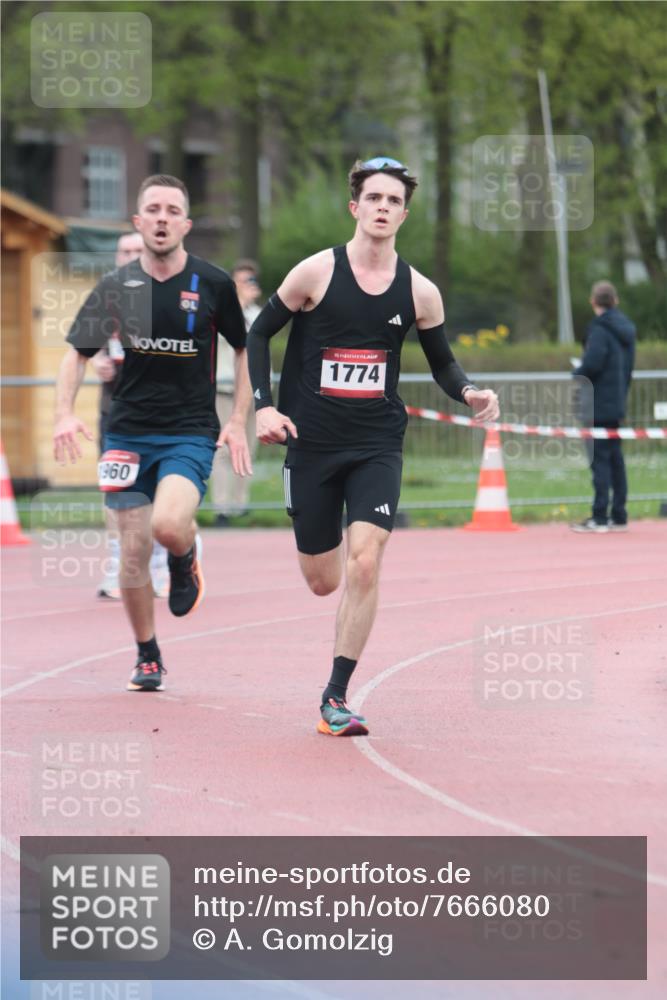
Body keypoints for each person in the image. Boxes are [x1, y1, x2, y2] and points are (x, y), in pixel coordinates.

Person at [247, 156, 499, 736]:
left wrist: (470, 391)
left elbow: (443, 364)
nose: (383, 208)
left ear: (404, 215)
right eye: (374, 198)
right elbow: (259, 334)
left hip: (376, 444)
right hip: (311, 444)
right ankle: (320, 551)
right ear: (354, 207)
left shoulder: (420, 291)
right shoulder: (314, 273)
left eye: (394, 201)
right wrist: (264, 405)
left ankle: (335, 696)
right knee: (323, 580)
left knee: (365, 561)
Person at [53, 174, 252, 692]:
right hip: (127, 433)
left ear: (186, 224)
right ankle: (147, 655)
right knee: (132, 550)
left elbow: (245, 348)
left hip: (189, 429)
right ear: (138, 222)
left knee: (168, 524)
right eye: (154, 210)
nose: (162, 219)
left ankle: (185, 558)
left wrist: (238, 420)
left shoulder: (213, 284)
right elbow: (76, 355)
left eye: (172, 211)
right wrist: (63, 414)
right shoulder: (116, 287)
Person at [90, 231, 170, 599]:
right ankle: (118, 563)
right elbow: (85, 342)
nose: (131, 256)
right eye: (125, 251)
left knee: (158, 490)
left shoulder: (168, 293)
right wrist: (97, 360)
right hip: (115, 408)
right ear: (116, 257)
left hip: (162, 409)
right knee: (116, 490)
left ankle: (161, 562)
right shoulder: (105, 295)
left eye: (138, 250)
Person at [571, 281, 636, 534]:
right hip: (617, 400)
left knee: (599, 460)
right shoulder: (626, 330)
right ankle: (619, 515)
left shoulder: (599, 329)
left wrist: (578, 371)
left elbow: (593, 363)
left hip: (597, 404)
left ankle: (599, 516)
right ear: (615, 301)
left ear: (593, 302)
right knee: (615, 459)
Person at [211, 260, 262, 526]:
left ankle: (241, 505)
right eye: (242, 281)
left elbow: (259, 344)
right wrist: (238, 305)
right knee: (222, 451)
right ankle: (221, 508)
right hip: (224, 390)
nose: (247, 286)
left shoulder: (258, 313)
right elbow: (225, 339)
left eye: (250, 281)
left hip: (250, 392)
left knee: (247, 449)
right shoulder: (219, 309)